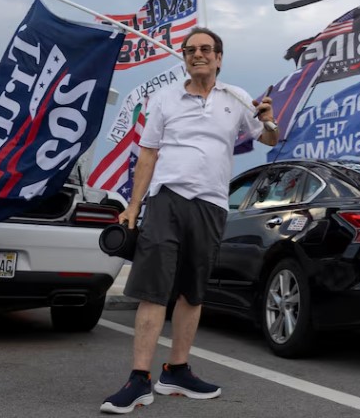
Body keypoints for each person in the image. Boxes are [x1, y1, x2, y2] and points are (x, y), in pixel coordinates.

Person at [101, 28, 279, 414]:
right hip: (167, 199)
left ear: (219, 57)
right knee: (153, 289)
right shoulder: (164, 98)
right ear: (184, 57)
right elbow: (147, 154)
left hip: (212, 204)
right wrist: (134, 206)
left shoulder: (237, 98)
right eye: (190, 49)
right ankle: (139, 380)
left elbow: (268, 139)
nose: (197, 54)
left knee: (193, 292)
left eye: (205, 49)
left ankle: (176, 370)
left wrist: (268, 120)